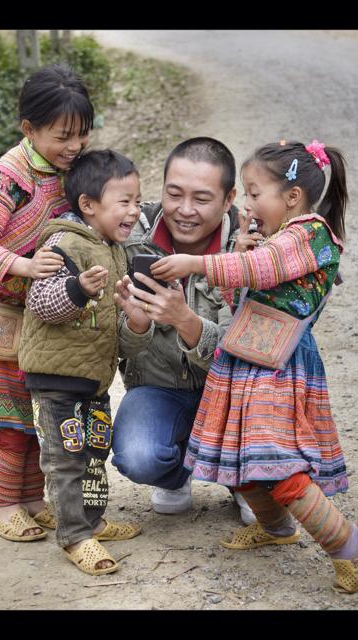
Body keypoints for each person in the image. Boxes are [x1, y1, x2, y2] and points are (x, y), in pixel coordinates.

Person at [148, 139, 358, 594]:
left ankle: (348, 545)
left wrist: (201, 261)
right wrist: (241, 252)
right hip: (245, 357)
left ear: (292, 198)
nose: (249, 204)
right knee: (240, 458)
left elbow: (262, 269)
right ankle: (276, 528)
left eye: (255, 193)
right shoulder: (275, 239)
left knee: (280, 467)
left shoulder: (309, 233)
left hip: (278, 367)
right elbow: (243, 296)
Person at [0, 64, 93, 544]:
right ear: (28, 129)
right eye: (63, 136)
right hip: (2, 317)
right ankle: (4, 505)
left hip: (43, 317)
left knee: (38, 415)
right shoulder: (10, 176)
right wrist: (23, 266)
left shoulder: (70, 171)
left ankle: (33, 502)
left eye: (82, 135)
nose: (74, 146)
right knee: (10, 421)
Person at [108, 137, 258, 523]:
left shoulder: (251, 248)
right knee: (138, 456)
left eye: (202, 199)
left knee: (266, 429)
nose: (185, 210)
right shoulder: (127, 235)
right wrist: (137, 326)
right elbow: (114, 344)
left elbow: (251, 351)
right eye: (174, 194)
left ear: (229, 200)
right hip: (158, 389)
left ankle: (250, 484)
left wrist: (185, 321)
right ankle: (175, 475)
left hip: (233, 396)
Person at [19, 149, 146, 576]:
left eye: (137, 200)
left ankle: (92, 522)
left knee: (94, 452)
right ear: (88, 205)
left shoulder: (113, 247)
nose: (134, 210)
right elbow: (41, 302)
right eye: (124, 201)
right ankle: (75, 535)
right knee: (66, 459)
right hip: (56, 379)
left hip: (92, 378)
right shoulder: (64, 243)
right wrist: (76, 289)